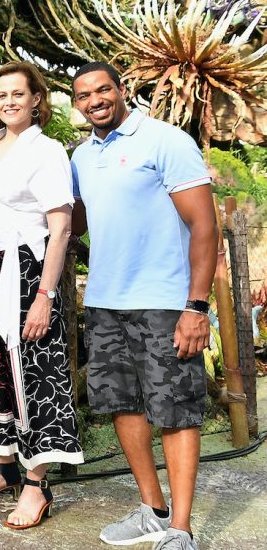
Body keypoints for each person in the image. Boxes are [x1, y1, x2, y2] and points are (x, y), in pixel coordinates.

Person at [71, 62, 217, 550]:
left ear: (121, 90)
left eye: (103, 89)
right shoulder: (81, 157)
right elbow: (72, 224)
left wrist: (196, 306)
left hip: (164, 302)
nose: (95, 100)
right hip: (105, 302)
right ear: (76, 105)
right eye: (84, 94)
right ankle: (152, 509)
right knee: (122, 405)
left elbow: (204, 226)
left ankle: (181, 529)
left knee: (175, 410)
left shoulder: (165, 141)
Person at [0, 61, 83, 529]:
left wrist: (45, 295)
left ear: (36, 99)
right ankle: (3, 469)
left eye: (18, 93)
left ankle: (36, 486)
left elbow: (61, 227)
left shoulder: (48, 151)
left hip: (27, 271)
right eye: (2, 94)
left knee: (33, 373)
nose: (9, 101)